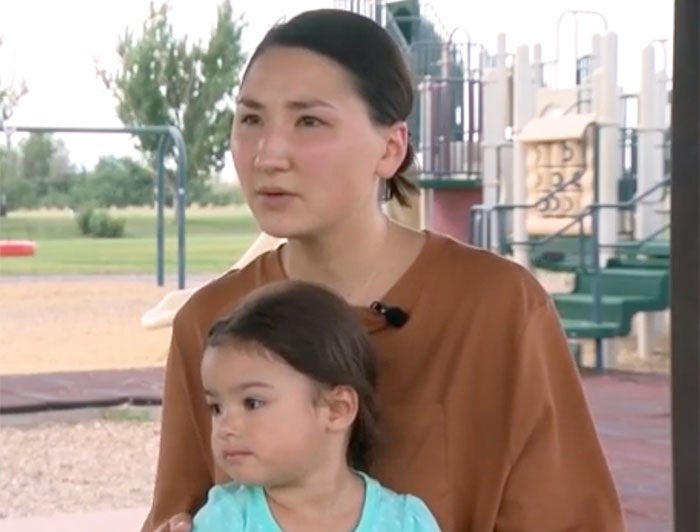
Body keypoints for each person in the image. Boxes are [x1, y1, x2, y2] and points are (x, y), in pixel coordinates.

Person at [142, 8, 625, 532]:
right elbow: (179, 512)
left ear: (390, 148)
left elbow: (571, 517)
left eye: (309, 121)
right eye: (251, 119)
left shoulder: (499, 308)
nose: (267, 154)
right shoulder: (211, 321)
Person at [190, 280, 441, 531]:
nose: (226, 427)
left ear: (336, 409)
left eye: (252, 403)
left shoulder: (407, 522)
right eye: (216, 408)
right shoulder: (224, 520)